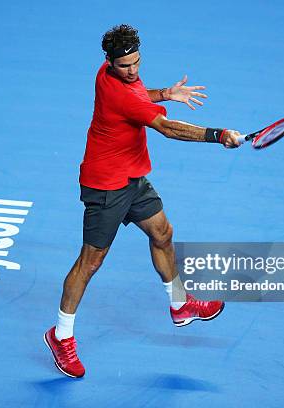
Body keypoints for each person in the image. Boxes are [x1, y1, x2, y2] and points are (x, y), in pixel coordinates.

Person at [44, 24, 242, 378]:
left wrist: (165, 93)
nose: (133, 70)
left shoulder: (111, 75)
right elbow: (168, 129)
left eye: (136, 62)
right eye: (125, 66)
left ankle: (180, 304)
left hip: (132, 178)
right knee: (90, 263)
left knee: (163, 233)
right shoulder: (118, 91)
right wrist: (219, 135)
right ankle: (60, 336)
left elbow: (139, 95)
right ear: (109, 62)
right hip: (106, 187)